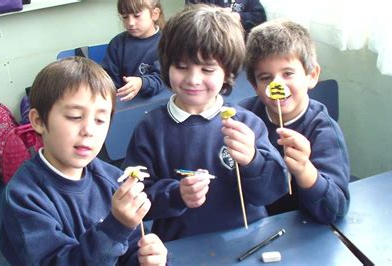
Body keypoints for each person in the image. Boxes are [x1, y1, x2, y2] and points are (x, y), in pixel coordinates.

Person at [122, 4, 287, 242]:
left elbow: (274, 191)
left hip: (247, 241)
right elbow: (137, 197)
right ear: (166, 65)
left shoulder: (247, 124)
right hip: (180, 248)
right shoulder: (150, 128)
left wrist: (253, 160)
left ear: (227, 71)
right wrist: (176, 195)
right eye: (181, 67)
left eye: (208, 69)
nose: (193, 79)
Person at [0, 57, 168, 265]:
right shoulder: (24, 196)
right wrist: (116, 227)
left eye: (100, 120)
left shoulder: (114, 179)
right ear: (39, 121)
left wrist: (146, 259)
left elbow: (131, 247)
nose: (89, 130)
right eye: (74, 116)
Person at [239, 19, 350, 224]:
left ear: (312, 75)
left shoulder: (323, 130)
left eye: (288, 73)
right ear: (254, 85)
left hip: (302, 229)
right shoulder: (244, 117)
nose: (277, 85)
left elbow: (335, 209)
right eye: (265, 77)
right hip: (252, 226)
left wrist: (304, 170)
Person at [101, 0, 166, 102]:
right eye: (125, 17)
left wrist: (141, 83)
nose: (130, 23)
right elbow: (108, 79)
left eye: (137, 15)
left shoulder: (166, 43)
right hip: (123, 104)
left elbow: (162, 79)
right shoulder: (117, 43)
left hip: (153, 104)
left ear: (155, 14)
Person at [184, 0, 267, 33]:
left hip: (238, 47)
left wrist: (239, 17)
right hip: (207, 42)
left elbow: (260, 17)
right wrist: (216, 15)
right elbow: (190, 16)